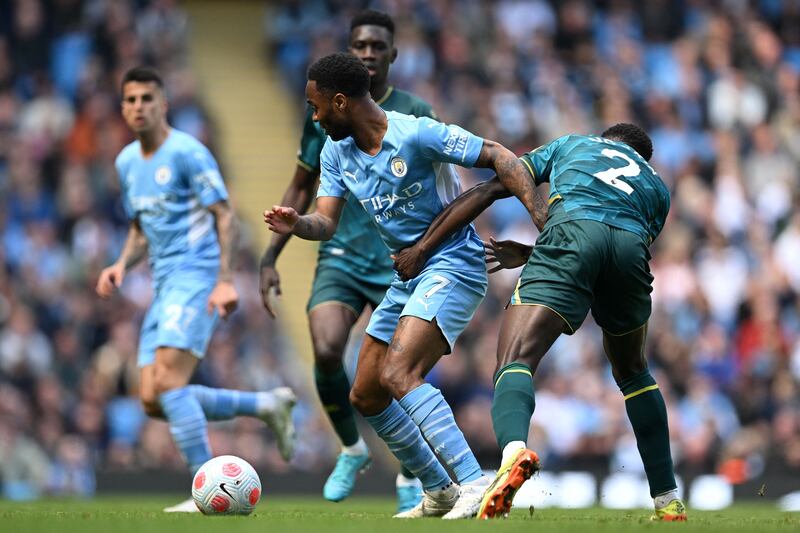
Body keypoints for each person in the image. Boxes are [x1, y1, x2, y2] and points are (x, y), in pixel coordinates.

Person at [264, 52, 534, 519]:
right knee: (366, 393)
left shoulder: (416, 132)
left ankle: (473, 483)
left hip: (454, 263)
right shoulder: (335, 151)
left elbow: (498, 155)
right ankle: (439, 490)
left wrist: (540, 216)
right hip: (406, 273)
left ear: (341, 101)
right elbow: (325, 222)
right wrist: (297, 223)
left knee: (399, 374)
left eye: (316, 106)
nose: (314, 115)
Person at [392, 124, 687, 521]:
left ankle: (513, 453)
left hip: (570, 235)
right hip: (630, 250)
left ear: (607, 138)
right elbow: (607, 243)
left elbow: (498, 186)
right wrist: (537, 253)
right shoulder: (657, 189)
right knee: (634, 372)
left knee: (516, 357)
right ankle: (668, 501)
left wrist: (424, 247)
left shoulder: (575, 144)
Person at [96, 66, 297, 513]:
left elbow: (224, 215)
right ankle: (267, 405)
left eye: (147, 98)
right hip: (163, 282)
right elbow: (140, 227)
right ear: (123, 106)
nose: (138, 107)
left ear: (163, 104)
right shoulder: (127, 162)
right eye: (130, 100)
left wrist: (225, 280)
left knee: (169, 383)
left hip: (197, 275)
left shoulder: (188, 153)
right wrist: (119, 264)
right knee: (151, 399)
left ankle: (203, 487)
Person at [259, 10, 435, 512]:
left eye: (378, 45)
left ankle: (409, 473)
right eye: (360, 44)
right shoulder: (324, 114)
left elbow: (444, 189)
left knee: (398, 370)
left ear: (392, 55)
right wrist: (271, 254)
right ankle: (352, 449)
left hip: (399, 260)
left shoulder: (415, 112)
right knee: (327, 346)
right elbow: (301, 185)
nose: (368, 52)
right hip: (340, 251)